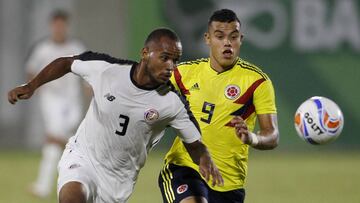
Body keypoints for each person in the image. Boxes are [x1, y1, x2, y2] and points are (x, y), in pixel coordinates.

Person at [8, 28, 223, 203]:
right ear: (145, 53)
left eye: (175, 61)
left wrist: (205, 161)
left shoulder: (172, 103)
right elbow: (66, 63)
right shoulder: (106, 69)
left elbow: (195, 144)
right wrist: (31, 85)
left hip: (118, 180)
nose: (170, 67)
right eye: (165, 58)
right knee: (72, 197)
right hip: (83, 156)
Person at [158, 9, 279, 203]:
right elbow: (146, 88)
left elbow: (272, 136)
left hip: (230, 185)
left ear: (241, 39)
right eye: (219, 36)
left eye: (233, 37)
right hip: (184, 168)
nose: (227, 43)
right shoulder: (184, 74)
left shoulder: (257, 82)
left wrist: (253, 138)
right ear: (207, 38)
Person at [25, 10, 86, 198]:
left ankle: (60, 182)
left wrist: (89, 88)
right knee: (56, 138)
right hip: (51, 100)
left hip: (72, 101)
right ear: (51, 26)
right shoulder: (42, 48)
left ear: (66, 26)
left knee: (62, 141)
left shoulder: (77, 47)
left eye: (62, 25)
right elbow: (31, 70)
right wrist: (36, 87)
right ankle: (45, 187)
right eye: (56, 25)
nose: (59, 28)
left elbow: (87, 73)